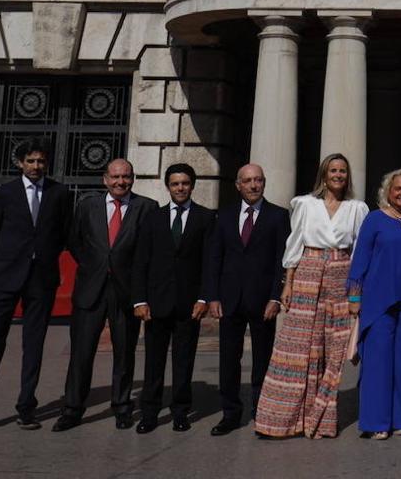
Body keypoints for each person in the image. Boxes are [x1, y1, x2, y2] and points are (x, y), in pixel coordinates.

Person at [0, 138, 73, 438]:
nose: (36, 166)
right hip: (4, 280)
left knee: (33, 346)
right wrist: (10, 262)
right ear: (20, 163)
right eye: (30, 161)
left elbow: (63, 234)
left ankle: (26, 407)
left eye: (41, 161)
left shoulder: (60, 194)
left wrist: (41, 259)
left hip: (41, 280)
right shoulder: (2, 194)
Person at [255, 153, 369, 439]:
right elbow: (294, 245)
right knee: (297, 348)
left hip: (341, 275)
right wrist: (287, 284)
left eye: (343, 171)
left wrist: (356, 294)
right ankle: (283, 421)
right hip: (307, 272)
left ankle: (321, 419)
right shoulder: (306, 204)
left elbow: (359, 252)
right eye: (333, 170)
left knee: (333, 350)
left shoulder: (357, 208)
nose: (338, 175)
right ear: (324, 174)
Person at [53, 158, 154, 431]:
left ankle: (122, 407)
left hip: (126, 292)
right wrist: (94, 264)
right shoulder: (88, 206)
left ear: (133, 178)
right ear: (105, 179)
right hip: (90, 289)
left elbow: (148, 250)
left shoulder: (147, 207)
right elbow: (75, 240)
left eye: (126, 177)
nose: (121, 182)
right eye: (116, 177)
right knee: (81, 353)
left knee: (124, 353)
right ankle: (72, 409)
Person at [204, 163, 290, 436]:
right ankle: (230, 414)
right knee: (229, 359)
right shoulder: (225, 216)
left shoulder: (278, 216)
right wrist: (213, 296)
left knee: (263, 360)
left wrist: (276, 297)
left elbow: (282, 261)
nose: (254, 185)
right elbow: (214, 258)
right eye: (248, 181)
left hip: (263, 300)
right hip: (229, 300)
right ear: (238, 185)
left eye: (259, 180)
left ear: (264, 183)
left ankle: (261, 413)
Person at [348, 169, 401, 439]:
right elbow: (359, 260)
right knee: (377, 365)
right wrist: (354, 297)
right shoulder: (374, 220)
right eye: (397, 188)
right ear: (387, 191)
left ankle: (400, 418)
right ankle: (376, 423)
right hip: (379, 302)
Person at [130, 163, 214, 433]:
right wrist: (139, 300)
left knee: (184, 360)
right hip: (156, 303)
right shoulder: (153, 218)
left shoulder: (204, 218)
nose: (180, 188)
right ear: (168, 186)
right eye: (175, 183)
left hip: (189, 305)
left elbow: (209, 263)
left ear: (192, 185)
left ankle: (180, 411)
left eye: (185, 183)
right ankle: (150, 413)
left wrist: (203, 298)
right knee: (153, 361)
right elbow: (141, 261)